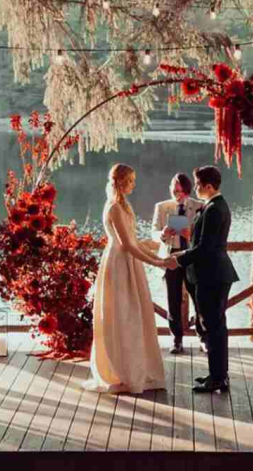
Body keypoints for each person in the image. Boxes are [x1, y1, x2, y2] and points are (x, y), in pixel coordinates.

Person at [83, 164, 167, 394]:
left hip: (129, 263)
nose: (134, 184)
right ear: (120, 182)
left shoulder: (123, 206)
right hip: (120, 265)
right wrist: (158, 263)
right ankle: (120, 371)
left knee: (134, 317)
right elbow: (127, 245)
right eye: (130, 181)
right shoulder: (114, 209)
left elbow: (135, 241)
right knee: (122, 317)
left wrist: (158, 247)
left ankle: (134, 368)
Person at [164, 166, 238, 394]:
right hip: (214, 274)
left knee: (213, 327)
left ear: (208, 186)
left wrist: (179, 258)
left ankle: (218, 378)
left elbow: (205, 248)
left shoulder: (215, 209)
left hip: (212, 275)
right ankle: (218, 375)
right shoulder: (215, 206)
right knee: (216, 327)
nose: (195, 188)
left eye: (197, 184)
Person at [151, 173, 205, 355]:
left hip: (191, 256)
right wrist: (163, 234)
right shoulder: (162, 207)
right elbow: (153, 232)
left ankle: (203, 336)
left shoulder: (199, 206)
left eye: (181, 191)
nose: (178, 195)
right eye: (174, 191)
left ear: (188, 191)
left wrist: (191, 236)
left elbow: (205, 235)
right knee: (172, 300)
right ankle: (176, 339)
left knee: (198, 297)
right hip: (171, 255)